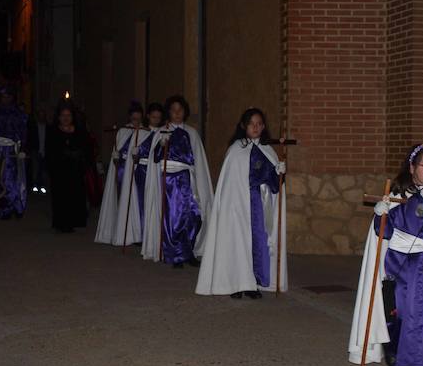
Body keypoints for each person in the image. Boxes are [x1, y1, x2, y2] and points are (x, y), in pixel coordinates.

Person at [348, 144, 423, 366]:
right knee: (402, 312)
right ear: (412, 168)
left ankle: (421, 363)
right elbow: (382, 234)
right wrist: (380, 215)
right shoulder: (397, 199)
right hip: (402, 265)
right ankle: (396, 351)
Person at [197, 108, 287, 298]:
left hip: (259, 207)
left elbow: (274, 186)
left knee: (258, 243)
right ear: (243, 126)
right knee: (236, 242)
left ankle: (252, 283)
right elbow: (230, 183)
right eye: (252, 124)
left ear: (263, 126)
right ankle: (235, 283)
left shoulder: (268, 151)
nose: (256, 127)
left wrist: (279, 173)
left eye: (259, 124)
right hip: (237, 205)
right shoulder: (236, 150)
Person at [142, 95, 214, 268]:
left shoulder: (192, 133)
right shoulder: (162, 132)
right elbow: (154, 158)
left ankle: (188, 250)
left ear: (185, 112)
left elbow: (198, 160)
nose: (177, 113)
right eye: (173, 110)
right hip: (169, 181)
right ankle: (175, 254)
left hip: (188, 180)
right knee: (173, 218)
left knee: (194, 215)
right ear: (169, 112)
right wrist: (161, 146)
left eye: (180, 110)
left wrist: (199, 181)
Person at [95, 103, 146, 246]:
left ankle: (136, 233)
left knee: (137, 202)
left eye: (138, 119)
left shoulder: (145, 132)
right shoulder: (123, 131)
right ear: (130, 117)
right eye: (134, 119)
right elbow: (117, 150)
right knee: (122, 199)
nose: (136, 122)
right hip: (122, 171)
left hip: (137, 171)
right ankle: (121, 231)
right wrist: (116, 156)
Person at [46, 103, 90, 232]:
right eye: (63, 115)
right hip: (60, 170)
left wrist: (78, 155)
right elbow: (50, 150)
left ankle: (73, 222)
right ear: (59, 117)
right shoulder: (53, 131)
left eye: (68, 115)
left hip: (75, 169)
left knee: (75, 196)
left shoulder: (79, 131)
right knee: (61, 197)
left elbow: (85, 148)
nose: (66, 118)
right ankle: (61, 223)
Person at [0, 87, 29, 220]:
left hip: (15, 150)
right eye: (3, 97)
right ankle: (6, 208)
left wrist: (22, 149)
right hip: (2, 151)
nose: (5, 99)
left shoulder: (19, 114)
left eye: (8, 96)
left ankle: (17, 207)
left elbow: (24, 133)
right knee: (4, 180)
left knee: (18, 179)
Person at [27, 102, 50, 196]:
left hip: (45, 152)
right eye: (40, 115)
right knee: (35, 170)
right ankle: (35, 187)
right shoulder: (33, 127)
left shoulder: (48, 127)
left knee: (43, 170)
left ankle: (43, 187)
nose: (41, 117)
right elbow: (30, 139)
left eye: (43, 115)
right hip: (35, 151)